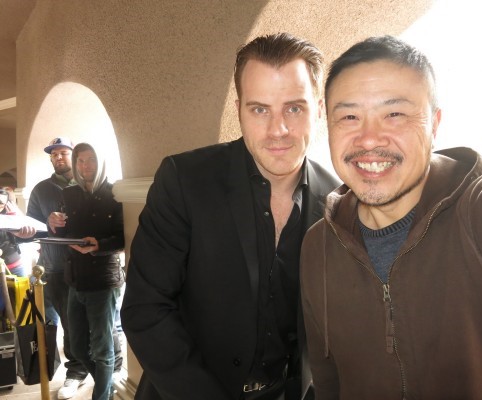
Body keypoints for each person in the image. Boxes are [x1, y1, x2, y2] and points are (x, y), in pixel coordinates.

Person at [300, 35, 482, 400]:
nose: (369, 139)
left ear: (434, 124)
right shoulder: (319, 245)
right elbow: (328, 380)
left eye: (394, 114)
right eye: (349, 117)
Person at [121, 32, 340, 400]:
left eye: (294, 108)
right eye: (259, 109)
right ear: (239, 110)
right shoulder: (184, 180)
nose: (278, 130)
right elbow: (145, 310)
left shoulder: (339, 203)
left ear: (318, 109)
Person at [48, 142, 125, 400]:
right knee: (79, 348)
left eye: (90, 159)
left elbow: (124, 237)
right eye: (80, 160)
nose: (85, 165)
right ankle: (107, 384)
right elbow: (62, 232)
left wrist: (99, 245)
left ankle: (102, 395)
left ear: (100, 161)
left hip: (103, 280)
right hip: (74, 280)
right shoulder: (69, 194)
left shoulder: (115, 193)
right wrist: (53, 223)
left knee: (102, 350)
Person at [26, 137, 91, 399]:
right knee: (69, 322)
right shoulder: (40, 189)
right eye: (54, 155)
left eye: (63, 153)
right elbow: (30, 229)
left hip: (90, 265)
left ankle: (108, 367)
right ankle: (76, 372)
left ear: (74, 156)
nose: (58, 158)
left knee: (100, 322)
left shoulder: (89, 183)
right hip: (55, 267)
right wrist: (44, 222)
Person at [0, 187, 35, 326]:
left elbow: (26, 234)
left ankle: (22, 333)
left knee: (22, 303)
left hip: (15, 266)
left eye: (1, 203)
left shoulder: (10, 217)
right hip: (3, 269)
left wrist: (14, 216)